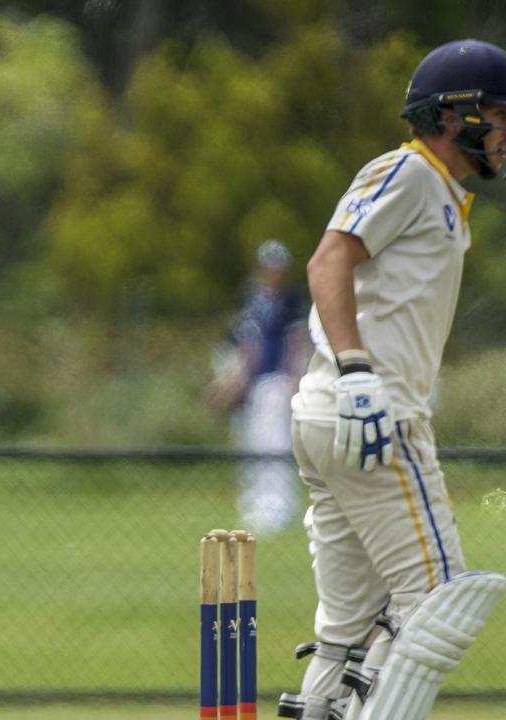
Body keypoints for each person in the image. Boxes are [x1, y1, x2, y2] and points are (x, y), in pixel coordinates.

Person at [275, 40, 506, 720]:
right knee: (439, 600)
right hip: (371, 413)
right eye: (497, 115)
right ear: (453, 114)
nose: (504, 133)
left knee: (348, 632)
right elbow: (326, 262)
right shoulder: (408, 172)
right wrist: (356, 371)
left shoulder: (443, 196)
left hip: (340, 416)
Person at [205, 238, 307, 533]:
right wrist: (231, 383)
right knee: (253, 446)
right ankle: (256, 503)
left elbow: (294, 343)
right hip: (254, 384)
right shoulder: (255, 298)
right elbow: (245, 346)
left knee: (275, 446)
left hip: (275, 382)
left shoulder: (289, 301)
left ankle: (278, 507)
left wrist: (295, 379)